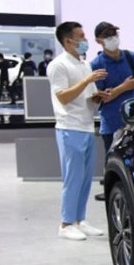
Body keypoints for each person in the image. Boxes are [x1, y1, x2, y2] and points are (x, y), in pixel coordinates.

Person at [47, 21, 111, 240]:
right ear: (68, 40)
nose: (85, 40)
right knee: (72, 178)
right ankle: (65, 224)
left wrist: (99, 96)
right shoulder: (58, 65)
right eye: (81, 36)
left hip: (86, 125)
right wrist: (87, 80)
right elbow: (63, 96)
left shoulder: (84, 64)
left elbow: (88, 96)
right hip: (69, 126)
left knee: (84, 179)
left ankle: (79, 220)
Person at [90, 21, 134, 200]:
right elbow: (100, 97)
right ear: (99, 40)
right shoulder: (97, 65)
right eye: (107, 35)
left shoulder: (131, 57)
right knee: (113, 161)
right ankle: (114, 194)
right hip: (111, 122)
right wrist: (124, 87)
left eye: (114, 34)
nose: (112, 38)